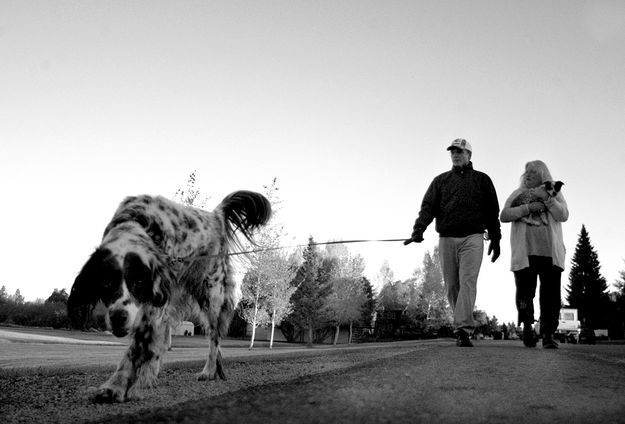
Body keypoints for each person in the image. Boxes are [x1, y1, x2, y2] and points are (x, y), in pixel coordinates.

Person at [405, 138, 501, 347]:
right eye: (453, 152)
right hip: (447, 238)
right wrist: (418, 229)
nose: (455, 155)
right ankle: (462, 325)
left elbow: (493, 211)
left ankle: (463, 330)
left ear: (469, 155)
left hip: (473, 237)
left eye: (460, 151)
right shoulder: (440, 181)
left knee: (468, 281)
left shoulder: (482, 180)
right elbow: (428, 207)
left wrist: (496, 238)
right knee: (451, 285)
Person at [500, 160, 568, 349]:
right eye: (526, 172)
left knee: (551, 295)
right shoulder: (518, 193)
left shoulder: (554, 192)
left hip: (550, 253)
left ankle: (548, 334)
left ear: (543, 175)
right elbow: (504, 215)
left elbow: (563, 215)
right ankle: (528, 328)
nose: (528, 175)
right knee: (525, 292)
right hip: (525, 253)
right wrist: (528, 208)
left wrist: (547, 199)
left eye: (533, 172)